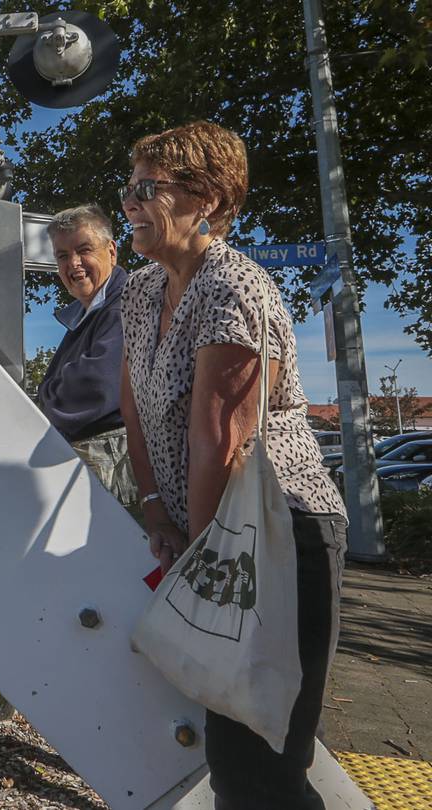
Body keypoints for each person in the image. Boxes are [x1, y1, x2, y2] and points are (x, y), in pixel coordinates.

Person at [118, 121, 347, 809]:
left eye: (148, 189)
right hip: (211, 534)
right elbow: (135, 408)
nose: (130, 202)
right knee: (239, 761)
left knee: (258, 765)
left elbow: (220, 437)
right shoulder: (137, 292)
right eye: (128, 187)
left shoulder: (235, 286)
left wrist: (196, 553)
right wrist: (156, 507)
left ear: (209, 200)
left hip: (280, 537)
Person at [37, 203, 136, 507]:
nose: (74, 263)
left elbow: (96, 386)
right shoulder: (87, 313)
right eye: (63, 256)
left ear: (112, 251)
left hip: (119, 476)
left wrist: (43, 400)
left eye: (84, 250)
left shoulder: (128, 303)